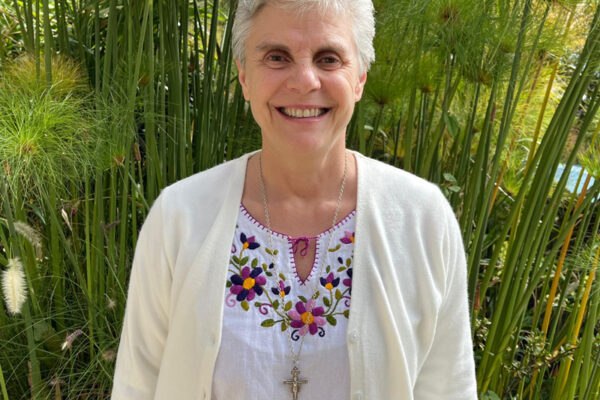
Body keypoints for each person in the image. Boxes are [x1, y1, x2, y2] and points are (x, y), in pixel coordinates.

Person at [111, 0, 478, 399]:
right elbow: (136, 387)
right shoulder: (179, 217)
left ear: (360, 78)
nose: (304, 80)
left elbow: (450, 390)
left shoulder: (421, 219)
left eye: (328, 58)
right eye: (277, 57)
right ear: (244, 76)